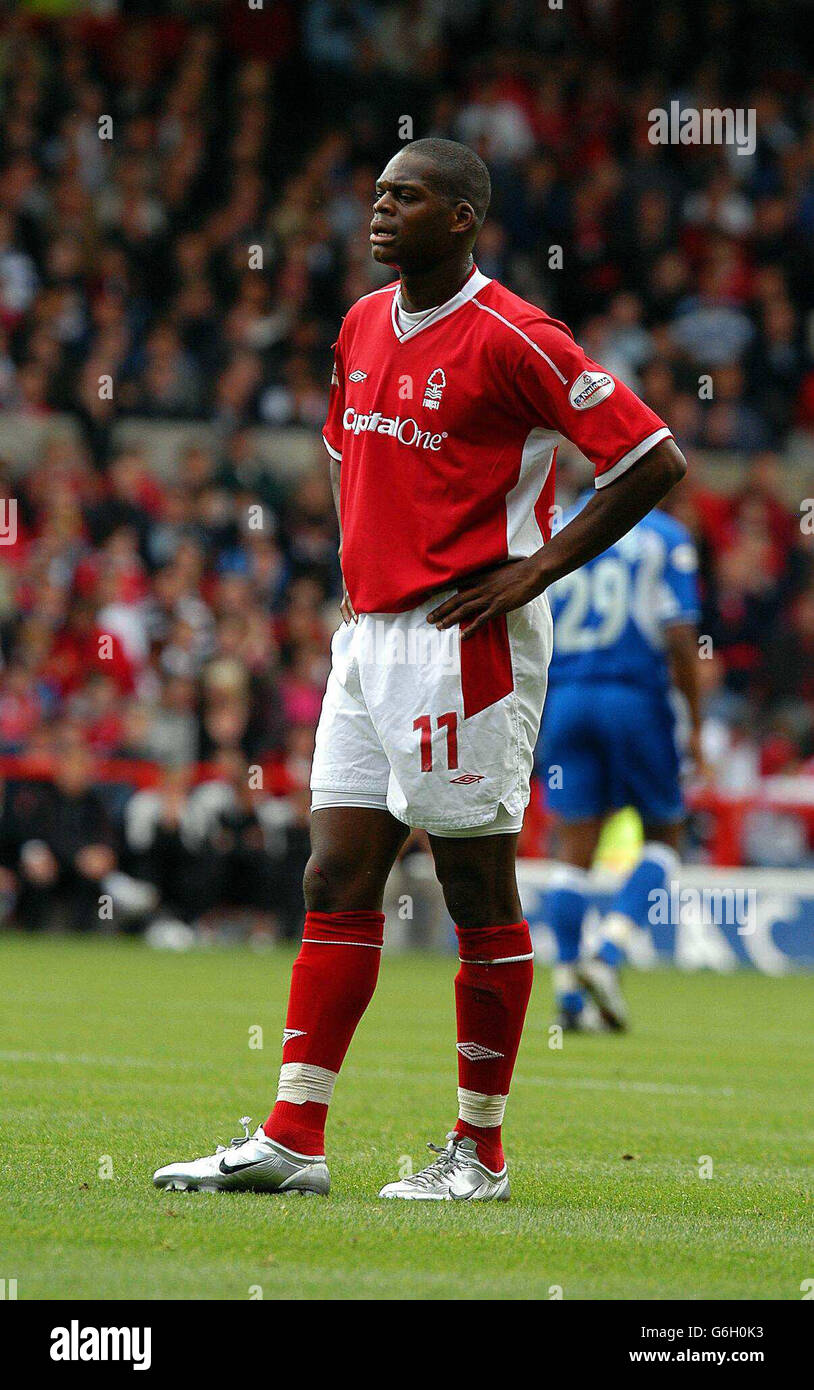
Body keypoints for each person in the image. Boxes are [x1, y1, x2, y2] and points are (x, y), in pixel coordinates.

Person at [153, 138, 686, 1201]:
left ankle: (477, 1153)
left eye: (408, 196)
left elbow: (651, 456)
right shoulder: (360, 323)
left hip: (464, 641)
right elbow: (357, 461)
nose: (381, 210)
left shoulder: (515, 336)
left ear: (463, 218)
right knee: (334, 876)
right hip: (368, 639)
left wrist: (534, 567)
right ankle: (293, 1137)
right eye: (380, 193)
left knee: (475, 887)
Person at [537, 495, 701, 1032]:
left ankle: (567, 991)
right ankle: (607, 952)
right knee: (665, 834)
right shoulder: (663, 536)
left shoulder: (557, 522)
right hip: (633, 697)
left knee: (574, 847)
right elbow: (680, 635)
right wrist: (694, 722)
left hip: (563, 698)